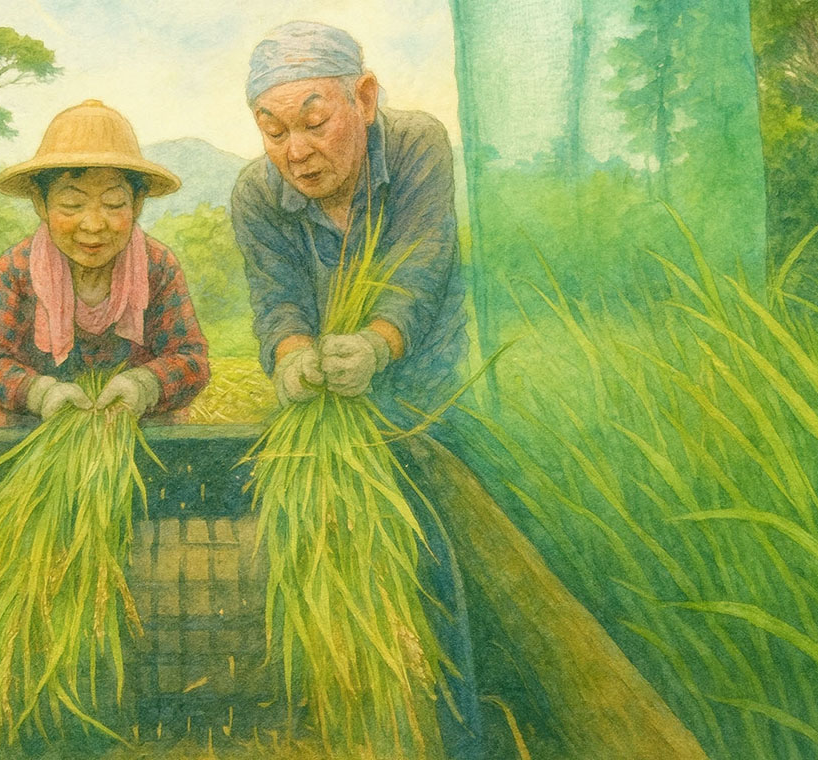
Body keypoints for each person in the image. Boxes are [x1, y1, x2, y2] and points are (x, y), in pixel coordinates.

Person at [231, 22, 480, 759]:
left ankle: (447, 719)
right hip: (329, 405)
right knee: (316, 542)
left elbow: (424, 263)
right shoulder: (255, 194)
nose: (295, 151)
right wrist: (291, 357)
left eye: (314, 122)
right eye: (274, 130)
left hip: (427, 390)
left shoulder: (416, 145)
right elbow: (275, 300)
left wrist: (377, 343)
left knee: (438, 553)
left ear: (364, 99)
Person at [0, 99, 209, 426]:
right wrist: (40, 393)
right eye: (71, 204)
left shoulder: (157, 266)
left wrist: (142, 386)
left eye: (114, 203)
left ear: (137, 203)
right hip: (38, 432)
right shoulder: (15, 269)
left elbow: (192, 359)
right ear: (40, 203)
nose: (94, 225)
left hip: (142, 429)